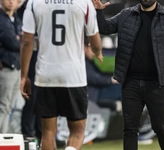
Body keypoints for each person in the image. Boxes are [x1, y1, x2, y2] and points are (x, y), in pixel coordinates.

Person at [92, 0, 164, 150]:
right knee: (130, 129)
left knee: (162, 127)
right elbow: (104, 27)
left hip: (158, 83)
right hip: (130, 82)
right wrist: (98, 11)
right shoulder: (126, 14)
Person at [20, 0, 102, 150]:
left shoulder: (33, 2)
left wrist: (24, 76)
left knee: (48, 133)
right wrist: (98, 53)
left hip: (45, 76)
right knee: (77, 131)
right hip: (73, 76)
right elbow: (94, 41)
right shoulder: (84, 3)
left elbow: (26, 41)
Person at [0, 0, 22, 133]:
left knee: (8, 107)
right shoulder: (1, 19)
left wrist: (20, 39)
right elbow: (14, 42)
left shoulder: (15, 19)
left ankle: (3, 139)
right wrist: (20, 39)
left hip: (16, 67)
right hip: (6, 67)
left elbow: (23, 40)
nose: (10, 1)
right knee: (3, 106)